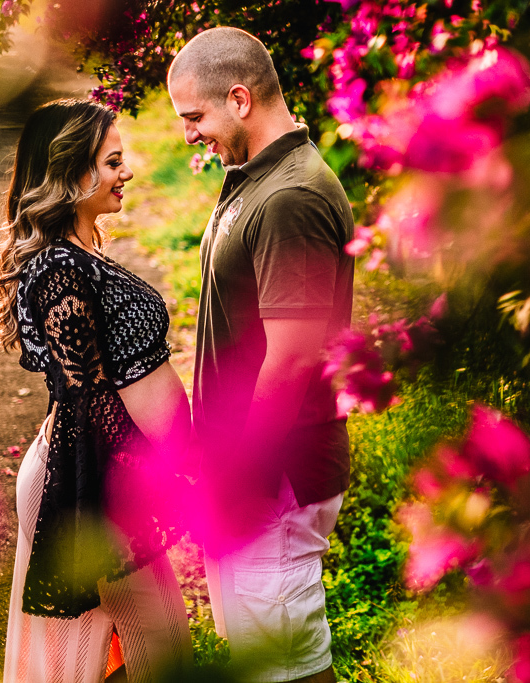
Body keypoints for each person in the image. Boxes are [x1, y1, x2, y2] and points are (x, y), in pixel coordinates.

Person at [167, 27, 355, 683]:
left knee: (287, 670)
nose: (189, 134)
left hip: (272, 477)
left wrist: (240, 481)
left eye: (194, 117)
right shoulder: (260, 177)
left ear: (240, 99)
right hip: (252, 473)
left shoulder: (289, 197)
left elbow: (293, 360)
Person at [0, 99, 194, 681]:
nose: (125, 173)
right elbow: (90, 399)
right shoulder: (58, 270)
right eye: (112, 162)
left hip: (102, 472)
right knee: (160, 649)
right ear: (73, 175)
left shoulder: (77, 257)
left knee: (131, 651)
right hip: (92, 481)